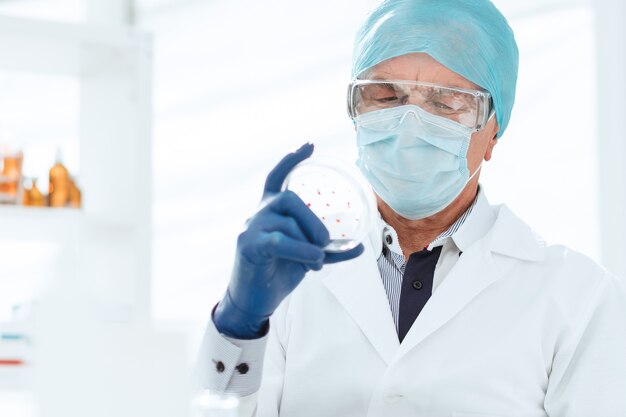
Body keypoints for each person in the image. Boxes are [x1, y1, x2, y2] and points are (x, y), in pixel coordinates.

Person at [196, 0, 626, 416]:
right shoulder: (292, 279)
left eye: (446, 102)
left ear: (494, 131)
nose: (411, 120)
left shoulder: (577, 297)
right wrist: (240, 322)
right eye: (385, 96)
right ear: (355, 110)